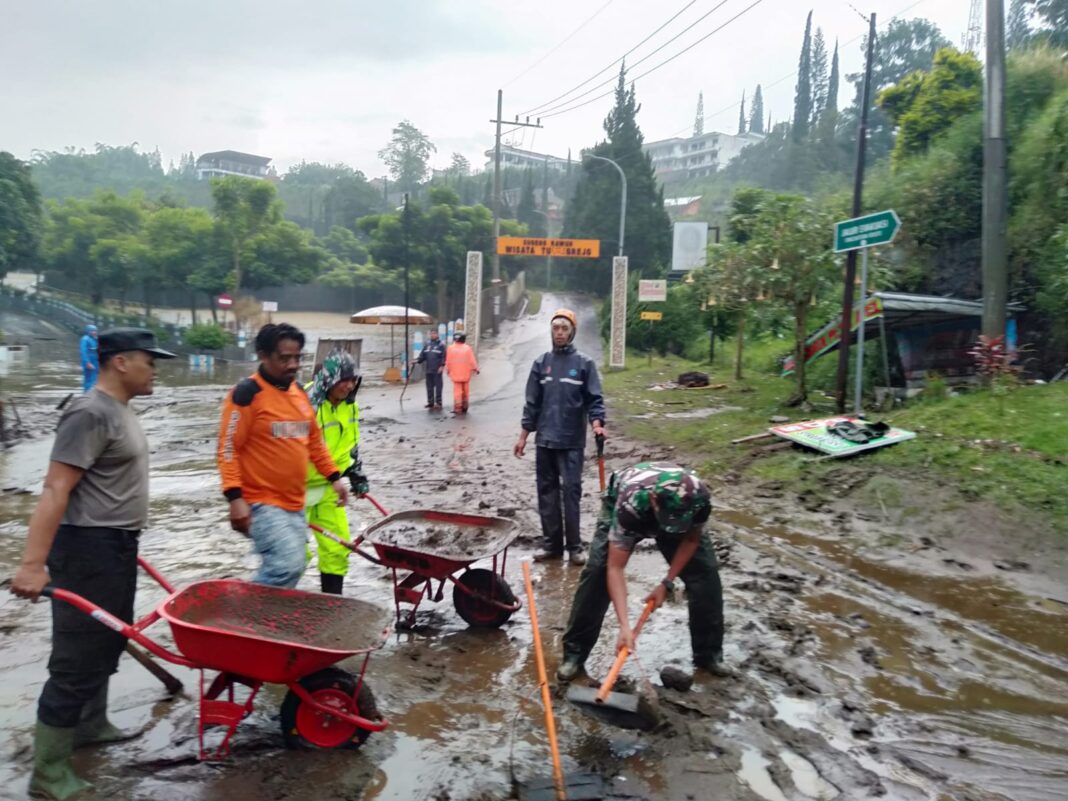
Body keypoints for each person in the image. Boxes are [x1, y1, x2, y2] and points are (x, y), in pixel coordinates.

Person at [10, 328, 175, 800]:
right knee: (75, 662)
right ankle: (48, 773)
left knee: (108, 640)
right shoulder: (89, 412)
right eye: (149, 360)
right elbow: (55, 489)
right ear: (120, 362)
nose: (156, 369)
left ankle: (90, 723)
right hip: (85, 551)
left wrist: (124, 538)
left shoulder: (119, 410)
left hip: (114, 545)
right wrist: (32, 564)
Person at [555, 461, 728, 683]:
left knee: (705, 576)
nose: (669, 530)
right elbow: (615, 568)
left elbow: (692, 538)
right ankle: (574, 655)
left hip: (678, 512)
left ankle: (709, 656)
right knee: (597, 574)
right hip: (624, 500)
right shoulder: (631, 504)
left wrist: (667, 583)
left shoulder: (699, 498)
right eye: (668, 522)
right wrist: (624, 626)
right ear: (655, 501)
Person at [217, 323, 349, 588]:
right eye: (284, 358)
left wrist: (334, 477)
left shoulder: (299, 393)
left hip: (294, 502)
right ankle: (246, 616)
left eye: (297, 357)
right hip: (261, 503)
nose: (292, 365)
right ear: (263, 356)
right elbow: (228, 449)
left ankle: (266, 623)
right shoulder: (246, 394)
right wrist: (234, 498)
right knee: (286, 565)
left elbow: (314, 442)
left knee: (294, 565)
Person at [513, 309, 605, 566]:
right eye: (556, 329)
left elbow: (595, 400)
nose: (560, 333)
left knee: (571, 493)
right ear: (551, 331)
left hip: (572, 441)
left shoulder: (584, 364)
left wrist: (597, 424)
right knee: (547, 493)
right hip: (545, 441)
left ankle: (574, 547)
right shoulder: (541, 364)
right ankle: (552, 546)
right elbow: (531, 404)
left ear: (572, 332)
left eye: (565, 329)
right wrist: (523, 437)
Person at [304, 349, 368, 595]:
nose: (349, 386)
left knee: (338, 548)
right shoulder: (304, 404)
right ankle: (274, 611)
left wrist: (357, 476)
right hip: (294, 489)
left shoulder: (350, 406)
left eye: (353, 380)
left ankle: (332, 605)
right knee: (293, 555)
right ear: (329, 379)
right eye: (344, 380)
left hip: (330, 488)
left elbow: (349, 447)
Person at [444, 331, 479, 414]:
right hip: (466, 375)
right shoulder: (467, 348)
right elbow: (472, 361)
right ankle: (465, 406)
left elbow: (448, 361)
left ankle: (458, 408)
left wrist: (448, 370)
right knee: (465, 391)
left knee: (457, 392)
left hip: (455, 375)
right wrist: (476, 369)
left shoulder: (450, 348)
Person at [416, 328, 446, 410]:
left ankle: (439, 402)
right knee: (429, 387)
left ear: (437, 335)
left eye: (434, 333)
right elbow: (422, 356)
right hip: (428, 369)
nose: (433, 335)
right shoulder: (427, 344)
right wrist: (416, 361)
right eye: (431, 333)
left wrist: (442, 366)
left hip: (437, 370)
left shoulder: (441, 345)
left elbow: (444, 357)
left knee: (438, 387)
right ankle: (430, 402)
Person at [79, 324, 99, 393]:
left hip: (95, 361)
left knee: (95, 378)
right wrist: (87, 362)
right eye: (92, 331)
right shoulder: (85, 339)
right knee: (89, 379)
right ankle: (86, 393)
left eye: (95, 331)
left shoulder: (94, 339)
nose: (94, 332)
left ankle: (93, 393)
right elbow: (83, 351)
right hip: (89, 361)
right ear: (88, 331)